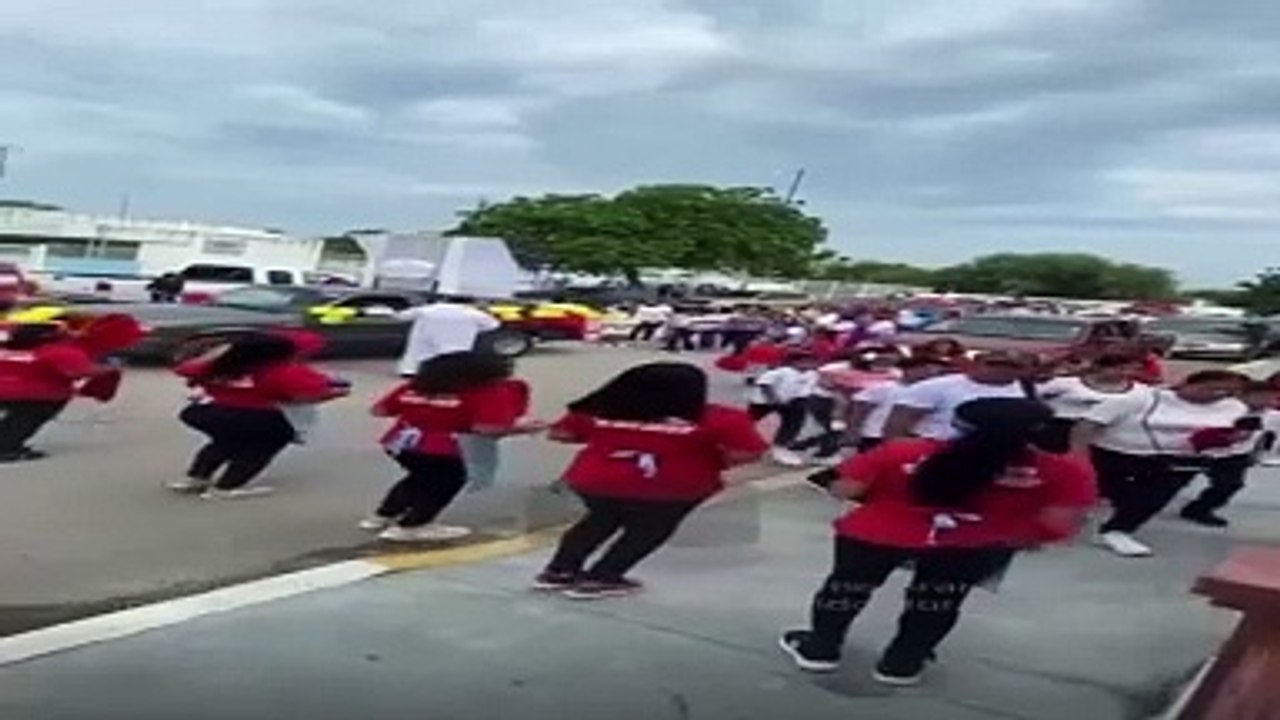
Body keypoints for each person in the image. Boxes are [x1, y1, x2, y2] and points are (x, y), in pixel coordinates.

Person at [780, 398, 1095, 686]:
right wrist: (1013, 535)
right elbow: (1058, 524)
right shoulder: (1064, 470)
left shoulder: (903, 451)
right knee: (937, 603)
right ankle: (903, 664)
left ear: (958, 424)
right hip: (972, 544)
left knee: (846, 590)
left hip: (877, 533)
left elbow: (845, 489)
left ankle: (820, 650)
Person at [534, 362, 768, 599]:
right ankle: (602, 577)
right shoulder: (722, 418)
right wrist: (713, 460)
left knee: (597, 522)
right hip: (672, 489)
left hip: (595, 482)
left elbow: (560, 434)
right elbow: (748, 453)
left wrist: (614, 437)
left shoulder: (600, 411)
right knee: (647, 532)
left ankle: (558, 571)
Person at [366, 351, 544, 542]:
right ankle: (413, 525)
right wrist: (523, 428)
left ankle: (383, 515)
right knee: (445, 484)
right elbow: (486, 429)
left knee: (418, 478)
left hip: (402, 443)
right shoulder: (487, 392)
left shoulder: (413, 388)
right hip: (446, 448)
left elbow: (379, 410)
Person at [1072, 370, 1250, 557]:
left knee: (1155, 496)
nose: (1219, 394)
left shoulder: (1234, 407)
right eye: (1213, 388)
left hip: (1182, 458)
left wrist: (1232, 440)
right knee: (1112, 491)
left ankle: (1117, 530)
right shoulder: (1141, 398)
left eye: (1228, 391)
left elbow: (1238, 431)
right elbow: (1088, 424)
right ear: (1188, 384)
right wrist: (1078, 455)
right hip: (1122, 453)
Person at [170, 332, 350, 498]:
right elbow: (306, 396)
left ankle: (196, 478)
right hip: (254, 416)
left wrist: (223, 351)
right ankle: (227, 487)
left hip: (207, 412)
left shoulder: (219, 365)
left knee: (226, 442)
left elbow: (183, 369)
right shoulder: (281, 370)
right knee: (264, 446)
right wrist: (336, 394)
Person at [0, 322, 114, 462]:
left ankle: (6, 443)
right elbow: (78, 372)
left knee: (21, 413)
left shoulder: (6, 350)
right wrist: (106, 371)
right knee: (30, 415)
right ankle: (6, 448)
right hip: (33, 394)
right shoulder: (59, 350)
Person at [1179, 380, 1280, 528]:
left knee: (1230, 485)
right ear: (1243, 395)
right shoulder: (1223, 409)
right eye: (1262, 396)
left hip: (1236, 456)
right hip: (1201, 452)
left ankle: (1198, 509)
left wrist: (1260, 454)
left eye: (1272, 397)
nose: (1267, 401)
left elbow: (1272, 437)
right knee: (1175, 480)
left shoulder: (1273, 416)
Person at [880, 350, 1031, 441]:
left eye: (1013, 366)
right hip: (935, 444)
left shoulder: (1025, 389)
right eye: (993, 364)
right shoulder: (937, 385)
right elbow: (898, 421)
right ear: (977, 364)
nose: (1002, 369)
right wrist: (900, 451)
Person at [1036, 352, 1147, 453]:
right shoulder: (1066, 383)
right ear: (1099, 368)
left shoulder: (1141, 391)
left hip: (1108, 436)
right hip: (1060, 430)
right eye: (1117, 369)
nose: (1123, 373)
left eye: (1127, 369)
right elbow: (1033, 396)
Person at [845, 355, 952, 452]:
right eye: (925, 369)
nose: (930, 373)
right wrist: (853, 432)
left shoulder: (929, 392)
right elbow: (859, 409)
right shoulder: (885, 387)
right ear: (909, 370)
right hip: (874, 435)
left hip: (906, 437)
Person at [747, 351, 821, 466]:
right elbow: (764, 383)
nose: (810, 364)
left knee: (793, 422)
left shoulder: (812, 374)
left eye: (813, 361)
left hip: (790, 402)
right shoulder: (782, 371)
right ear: (795, 362)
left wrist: (802, 402)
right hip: (764, 402)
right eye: (806, 361)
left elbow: (806, 390)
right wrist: (774, 399)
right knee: (752, 421)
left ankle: (780, 446)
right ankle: (744, 439)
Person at [395, 298, 500, 377]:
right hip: (459, 341)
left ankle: (410, 371)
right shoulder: (474, 313)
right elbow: (493, 325)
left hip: (427, 339)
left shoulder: (428, 309)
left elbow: (401, 316)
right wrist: (476, 329)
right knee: (454, 358)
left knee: (420, 354)